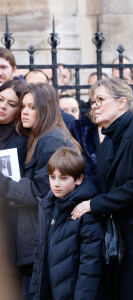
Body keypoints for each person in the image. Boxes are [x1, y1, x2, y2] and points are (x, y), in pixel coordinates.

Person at [71, 78, 133, 300]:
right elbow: (102, 185)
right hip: (115, 239)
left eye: (100, 99)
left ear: (121, 103)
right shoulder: (107, 142)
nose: (94, 105)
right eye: (93, 101)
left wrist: (93, 204)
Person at [0, 83, 79, 299]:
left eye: (32, 107)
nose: (25, 112)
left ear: (45, 109)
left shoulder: (50, 140)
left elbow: (42, 192)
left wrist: (4, 183)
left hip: (45, 237)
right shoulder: (41, 136)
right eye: (24, 106)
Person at [30, 147, 103, 300]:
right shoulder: (47, 206)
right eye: (52, 177)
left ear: (79, 179)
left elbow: (89, 267)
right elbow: (39, 254)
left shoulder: (85, 214)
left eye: (63, 178)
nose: (56, 183)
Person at [0, 79, 27, 296]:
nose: (2, 106)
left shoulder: (21, 140)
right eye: (0, 99)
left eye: (11, 104)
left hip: (9, 223)